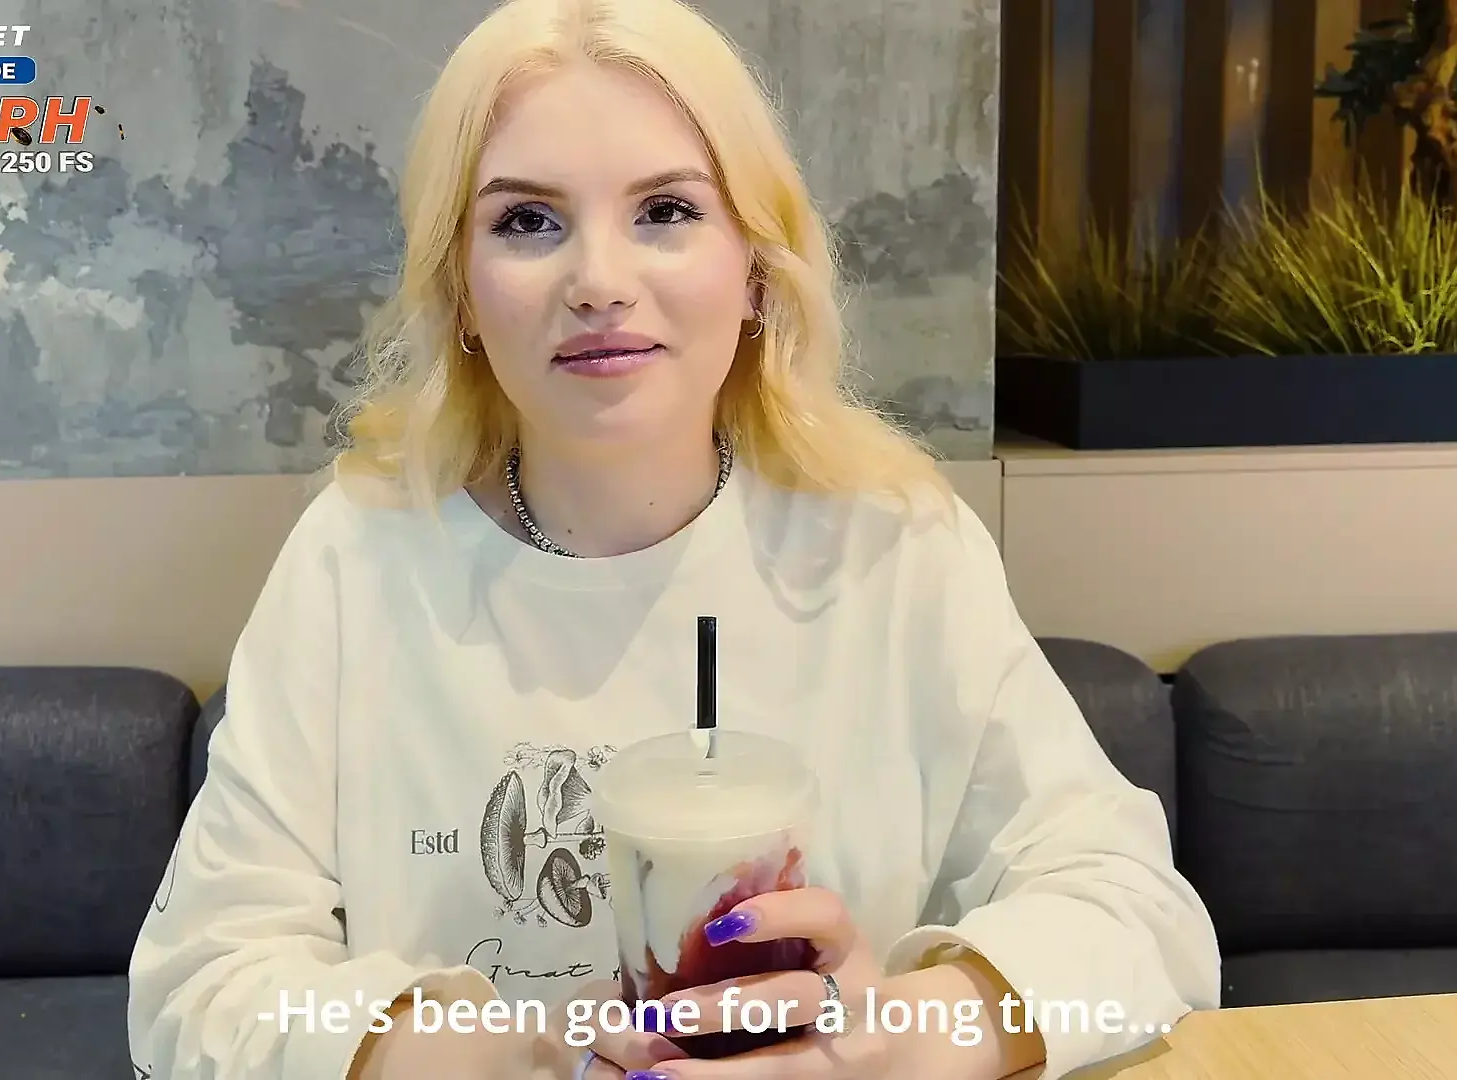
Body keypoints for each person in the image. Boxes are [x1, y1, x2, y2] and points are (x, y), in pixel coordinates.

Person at [125, 0, 1221, 1076]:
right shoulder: (359, 559)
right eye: (527, 222)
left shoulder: (894, 548)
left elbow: (1140, 922)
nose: (600, 283)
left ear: (755, 268)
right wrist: (517, 1057)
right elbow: (197, 989)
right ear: (459, 290)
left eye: (665, 210)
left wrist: (885, 1041)